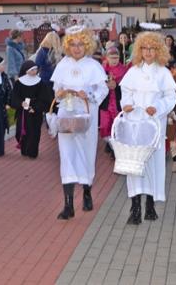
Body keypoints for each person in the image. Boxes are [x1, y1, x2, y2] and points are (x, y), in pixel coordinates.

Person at [120, 27, 176, 225]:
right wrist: (126, 105)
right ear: (139, 50)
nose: (148, 52)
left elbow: (170, 97)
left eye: (152, 48)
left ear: (159, 50)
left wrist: (158, 107)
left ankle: (150, 204)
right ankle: (135, 207)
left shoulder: (163, 73)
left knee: (153, 163)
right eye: (144, 48)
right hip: (134, 124)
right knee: (135, 163)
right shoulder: (133, 72)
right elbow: (126, 93)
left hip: (154, 124)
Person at [51, 26, 109, 220]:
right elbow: (56, 90)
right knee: (66, 154)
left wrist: (89, 95)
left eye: (81, 44)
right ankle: (68, 205)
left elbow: (103, 90)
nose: (77, 48)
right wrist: (60, 94)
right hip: (66, 113)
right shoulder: (62, 65)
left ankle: (86, 192)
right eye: (73, 44)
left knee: (86, 152)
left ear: (87, 45)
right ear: (68, 46)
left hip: (86, 113)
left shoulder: (93, 66)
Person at [11, 61, 50, 158]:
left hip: (35, 112)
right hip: (22, 111)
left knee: (34, 132)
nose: (35, 71)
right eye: (32, 70)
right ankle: (24, 149)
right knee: (20, 131)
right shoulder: (19, 82)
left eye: (36, 69)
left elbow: (44, 98)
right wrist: (20, 103)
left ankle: (32, 152)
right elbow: (14, 97)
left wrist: (36, 108)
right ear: (26, 71)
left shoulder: (40, 82)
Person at [99, 47, 130, 158]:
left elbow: (127, 87)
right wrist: (105, 85)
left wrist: (116, 86)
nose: (114, 60)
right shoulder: (101, 69)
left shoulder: (124, 70)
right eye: (112, 57)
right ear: (107, 58)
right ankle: (109, 143)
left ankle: (115, 149)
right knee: (105, 125)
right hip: (105, 103)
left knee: (117, 125)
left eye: (116, 57)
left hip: (117, 103)